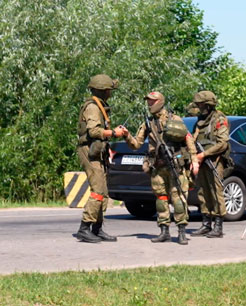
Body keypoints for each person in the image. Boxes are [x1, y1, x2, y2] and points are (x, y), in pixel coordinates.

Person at [124, 92, 199, 245]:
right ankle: (164, 230)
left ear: (160, 101)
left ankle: (181, 231)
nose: (149, 104)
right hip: (157, 166)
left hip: (175, 166)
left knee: (179, 199)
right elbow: (136, 144)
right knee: (161, 199)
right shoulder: (148, 123)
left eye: (152, 101)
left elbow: (188, 138)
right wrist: (126, 135)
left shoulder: (174, 120)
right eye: (148, 102)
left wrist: (194, 160)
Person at [75, 74, 127, 243]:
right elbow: (94, 132)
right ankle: (84, 228)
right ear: (104, 91)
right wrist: (114, 133)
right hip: (89, 151)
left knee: (103, 192)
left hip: (98, 151)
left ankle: (97, 229)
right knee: (97, 191)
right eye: (109, 91)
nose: (111, 93)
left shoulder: (99, 106)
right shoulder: (93, 107)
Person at [191, 91, 230, 237]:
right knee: (202, 190)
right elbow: (194, 138)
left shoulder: (219, 119)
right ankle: (206, 223)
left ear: (208, 104)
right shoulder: (200, 120)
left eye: (201, 104)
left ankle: (218, 226)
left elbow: (223, 143)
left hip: (215, 160)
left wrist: (204, 154)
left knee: (216, 191)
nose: (198, 107)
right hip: (201, 160)